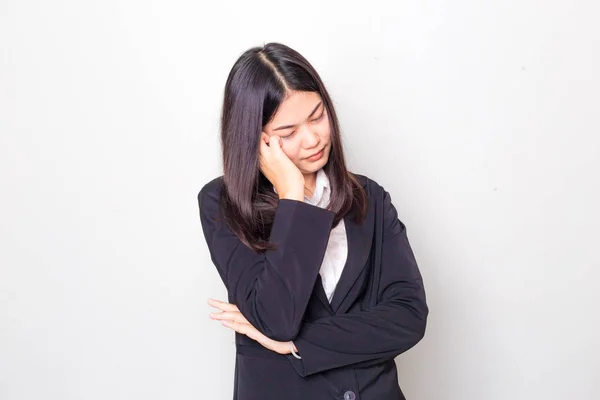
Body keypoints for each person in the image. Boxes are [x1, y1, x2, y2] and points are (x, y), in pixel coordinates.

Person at [197, 42, 428, 400]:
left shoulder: (370, 198)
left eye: (318, 116)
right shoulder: (222, 205)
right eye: (288, 133)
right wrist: (292, 197)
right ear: (254, 141)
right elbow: (277, 318)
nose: (313, 139)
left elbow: (408, 317)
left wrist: (297, 343)